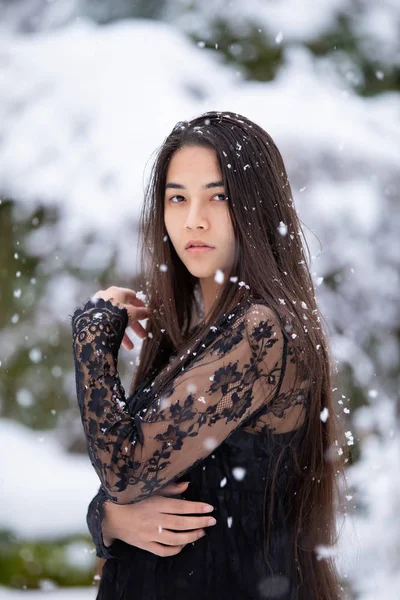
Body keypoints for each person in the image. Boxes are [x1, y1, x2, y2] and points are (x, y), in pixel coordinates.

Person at [70, 111, 347, 599]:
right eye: (177, 198)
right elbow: (133, 481)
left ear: (257, 207)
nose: (193, 218)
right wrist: (108, 518)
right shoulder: (195, 335)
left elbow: (126, 469)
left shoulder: (261, 332)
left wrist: (92, 336)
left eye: (218, 196)